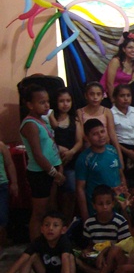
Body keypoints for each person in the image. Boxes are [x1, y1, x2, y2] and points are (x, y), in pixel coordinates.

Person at [0, 211, 74, 273]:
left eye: (55, 225)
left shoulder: (64, 242)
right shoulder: (38, 242)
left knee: (70, 257)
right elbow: (22, 259)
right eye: (47, 225)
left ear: (63, 230)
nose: (50, 228)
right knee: (31, 256)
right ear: (42, 229)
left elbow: (65, 257)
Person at [76, 119, 125, 222]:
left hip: (117, 204)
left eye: (102, 132)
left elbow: (120, 175)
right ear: (87, 137)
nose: (101, 136)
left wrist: (124, 197)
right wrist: (85, 216)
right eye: (95, 134)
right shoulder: (84, 159)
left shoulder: (112, 150)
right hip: (97, 209)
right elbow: (80, 188)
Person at [76, 185, 130, 273]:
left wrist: (105, 253)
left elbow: (123, 247)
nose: (105, 207)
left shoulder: (120, 222)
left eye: (108, 203)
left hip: (113, 257)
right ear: (94, 205)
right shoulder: (89, 223)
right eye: (100, 204)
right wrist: (86, 251)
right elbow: (90, 244)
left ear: (113, 203)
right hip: (96, 256)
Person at [49, 88, 82, 224]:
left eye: (68, 101)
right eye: (61, 101)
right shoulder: (51, 119)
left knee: (71, 192)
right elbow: (47, 139)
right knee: (54, 195)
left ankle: (66, 223)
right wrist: (58, 149)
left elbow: (79, 141)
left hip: (72, 160)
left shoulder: (75, 119)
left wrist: (71, 152)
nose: (65, 104)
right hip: (54, 161)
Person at [77, 82, 123, 163]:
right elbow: (81, 135)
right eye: (92, 94)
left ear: (103, 96)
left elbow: (112, 134)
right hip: (88, 151)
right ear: (86, 96)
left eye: (98, 94)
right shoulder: (80, 112)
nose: (95, 97)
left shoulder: (107, 111)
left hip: (105, 149)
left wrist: (120, 157)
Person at [111, 84, 134, 181]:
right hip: (120, 148)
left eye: (128, 95)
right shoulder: (111, 113)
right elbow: (112, 136)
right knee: (124, 178)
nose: (126, 99)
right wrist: (127, 152)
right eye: (122, 96)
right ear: (115, 98)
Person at [100, 32, 134, 101]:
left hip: (122, 96)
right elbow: (109, 83)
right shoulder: (116, 61)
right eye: (130, 47)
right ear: (123, 49)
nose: (133, 50)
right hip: (108, 95)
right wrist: (114, 102)